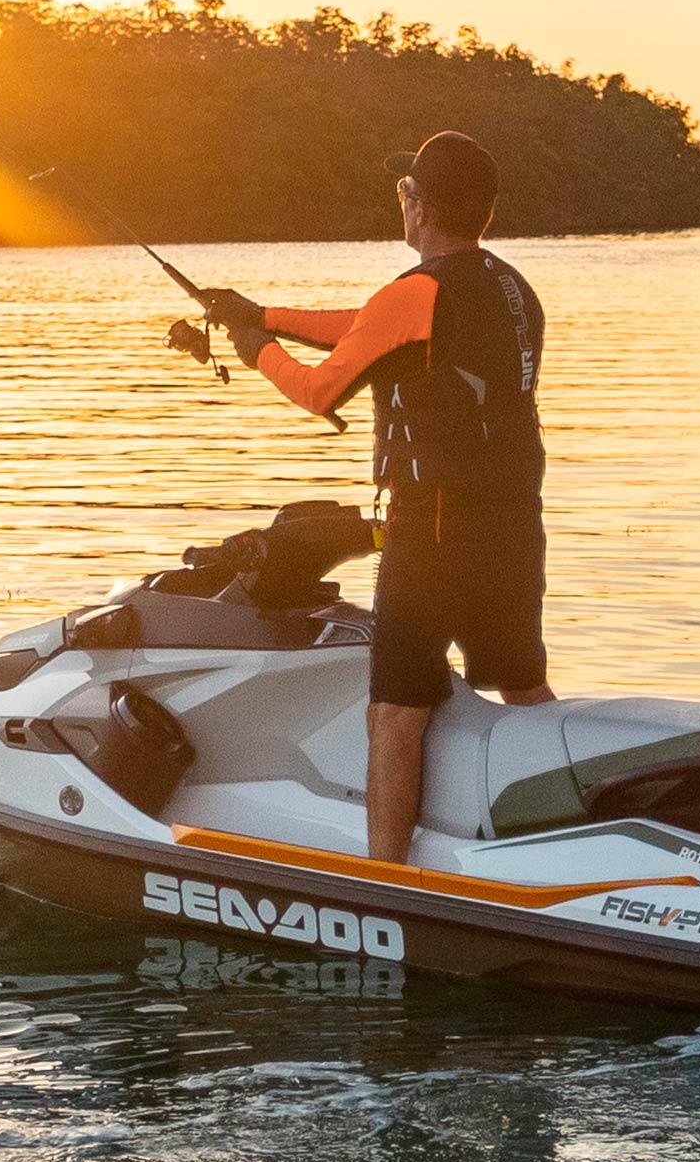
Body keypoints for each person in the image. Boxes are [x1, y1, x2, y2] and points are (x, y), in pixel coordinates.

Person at [201, 132, 552, 867]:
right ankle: (563, 833)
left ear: (419, 208)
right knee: (522, 685)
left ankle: (384, 881)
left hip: (434, 531)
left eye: (405, 193)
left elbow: (322, 385)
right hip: (514, 524)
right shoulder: (512, 286)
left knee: (396, 711)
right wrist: (264, 313)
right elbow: (369, 327)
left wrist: (257, 352)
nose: (402, 203)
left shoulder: (415, 294)